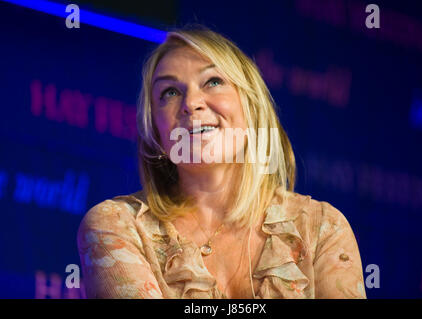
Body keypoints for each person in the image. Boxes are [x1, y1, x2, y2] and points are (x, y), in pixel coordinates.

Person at [76, 26, 367, 299]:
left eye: (213, 81)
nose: (191, 102)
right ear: (154, 132)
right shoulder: (117, 227)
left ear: (251, 107)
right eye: (170, 92)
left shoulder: (322, 228)